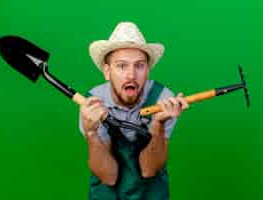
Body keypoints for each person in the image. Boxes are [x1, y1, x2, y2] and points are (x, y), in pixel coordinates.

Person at [79, 22, 189, 200]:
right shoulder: (93, 103)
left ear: (148, 70)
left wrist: (158, 126)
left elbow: (149, 169)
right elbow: (109, 176)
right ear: (107, 71)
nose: (131, 75)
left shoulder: (163, 99)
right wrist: (91, 133)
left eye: (139, 65)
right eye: (122, 66)